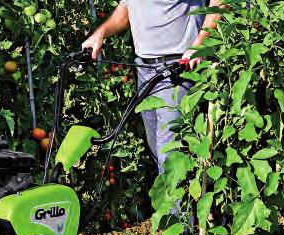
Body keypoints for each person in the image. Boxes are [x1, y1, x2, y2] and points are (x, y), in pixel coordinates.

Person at [82, 0, 223, 175]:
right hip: (144, 69)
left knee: (168, 155)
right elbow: (127, 8)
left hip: (177, 69)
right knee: (157, 148)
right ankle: (178, 197)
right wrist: (101, 33)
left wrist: (200, 43)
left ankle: (176, 199)